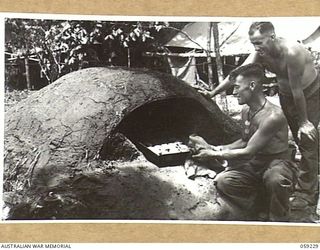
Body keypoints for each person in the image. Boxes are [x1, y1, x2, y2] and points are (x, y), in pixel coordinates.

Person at [199, 22, 319, 216]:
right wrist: (212, 93)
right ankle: (291, 182)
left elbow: (298, 91)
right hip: (286, 94)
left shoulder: (292, 52)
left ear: (271, 37)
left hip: (309, 93)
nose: (256, 47)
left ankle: (307, 193)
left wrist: (304, 122)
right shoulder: (261, 53)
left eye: (259, 42)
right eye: (253, 43)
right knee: (298, 141)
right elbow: (237, 74)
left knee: (307, 140)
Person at [189, 63, 298, 221]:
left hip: (278, 162)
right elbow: (244, 141)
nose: (233, 92)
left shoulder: (273, 116)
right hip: (256, 163)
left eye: (237, 87)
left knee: (275, 180)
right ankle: (262, 204)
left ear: (252, 85)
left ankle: (278, 220)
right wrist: (216, 148)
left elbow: (248, 151)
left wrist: (214, 153)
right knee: (224, 181)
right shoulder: (246, 110)